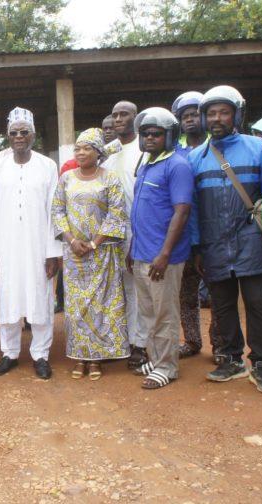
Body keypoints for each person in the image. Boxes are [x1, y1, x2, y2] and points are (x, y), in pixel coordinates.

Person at [188, 86, 262, 393]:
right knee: (221, 304)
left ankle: (261, 362)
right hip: (213, 243)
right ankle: (231, 359)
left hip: (251, 238)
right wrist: (198, 246)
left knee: (257, 303)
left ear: (237, 114)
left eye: (223, 112)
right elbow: (195, 207)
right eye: (211, 113)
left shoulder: (258, 149)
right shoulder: (196, 158)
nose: (217, 118)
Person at [0, 107, 61, 380]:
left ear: (33, 135)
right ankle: (10, 353)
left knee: (41, 298)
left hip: (39, 245)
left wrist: (53, 252)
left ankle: (41, 354)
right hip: (7, 246)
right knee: (9, 297)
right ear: (7, 136)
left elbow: (54, 211)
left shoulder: (48, 166)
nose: (18, 137)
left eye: (24, 132)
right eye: (13, 133)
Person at [53, 128, 128, 380]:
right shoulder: (66, 179)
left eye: (87, 148)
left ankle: (95, 359)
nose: (81, 152)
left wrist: (95, 243)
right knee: (76, 307)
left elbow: (116, 213)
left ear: (98, 152)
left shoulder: (110, 178)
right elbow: (57, 211)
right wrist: (72, 240)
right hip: (74, 255)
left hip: (103, 253)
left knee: (100, 306)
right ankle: (79, 356)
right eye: (78, 148)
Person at [128, 108, 194, 389]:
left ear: (170, 135)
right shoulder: (146, 164)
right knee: (147, 313)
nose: (150, 138)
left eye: (156, 133)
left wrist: (165, 254)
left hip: (162, 257)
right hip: (142, 253)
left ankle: (167, 366)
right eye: (145, 134)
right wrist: (133, 248)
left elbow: (181, 211)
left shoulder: (177, 165)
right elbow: (140, 212)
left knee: (165, 312)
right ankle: (156, 359)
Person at [103, 100, 148, 368]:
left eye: (124, 114)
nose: (118, 119)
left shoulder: (144, 149)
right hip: (111, 233)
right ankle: (120, 342)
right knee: (116, 290)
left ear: (136, 118)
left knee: (138, 290)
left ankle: (140, 345)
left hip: (138, 229)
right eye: (115, 114)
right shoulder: (109, 155)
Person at [170, 91, 208, 359]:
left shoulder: (216, 148)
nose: (190, 120)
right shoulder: (175, 152)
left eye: (195, 114)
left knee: (218, 294)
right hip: (184, 235)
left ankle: (222, 346)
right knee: (186, 294)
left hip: (213, 234)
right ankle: (192, 340)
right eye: (185, 116)